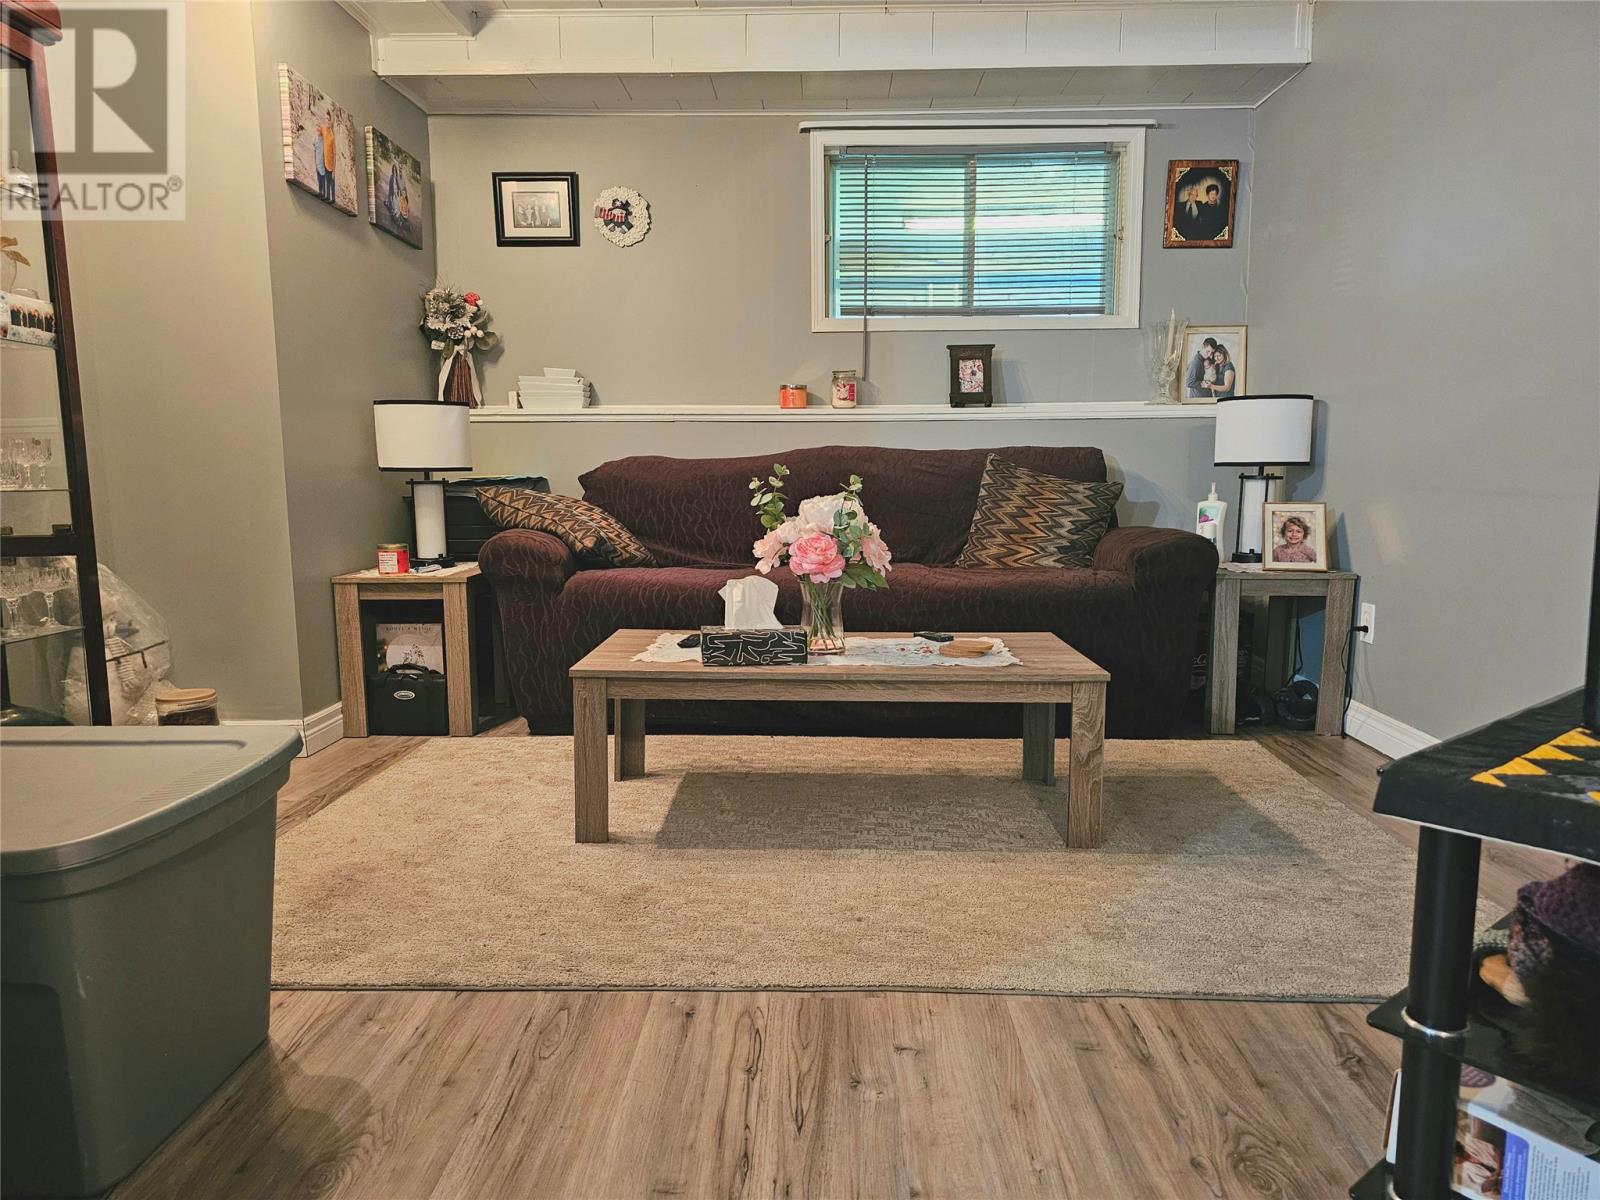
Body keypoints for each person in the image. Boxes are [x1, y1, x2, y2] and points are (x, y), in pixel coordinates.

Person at [1172, 175, 1229, 242]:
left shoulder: (1200, 204)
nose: (1193, 197)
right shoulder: (1180, 205)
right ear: (1188, 194)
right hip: (1183, 233)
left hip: (1201, 233)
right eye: (1192, 194)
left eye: (1196, 195)